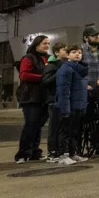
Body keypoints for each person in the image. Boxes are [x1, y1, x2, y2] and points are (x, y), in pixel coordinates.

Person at [16, 35, 51, 163]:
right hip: (30, 96)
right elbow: (24, 75)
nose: (47, 46)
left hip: (44, 96)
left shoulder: (48, 58)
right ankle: (23, 153)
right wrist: (42, 77)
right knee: (31, 125)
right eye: (44, 43)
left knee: (38, 126)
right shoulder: (28, 58)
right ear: (36, 44)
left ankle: (35, 152)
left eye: (48, 43)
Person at [42, 42, 67, 163]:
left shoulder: (67, 65)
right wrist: (59, 73)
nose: (66, 51)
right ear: (57, 52)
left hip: (65, 99)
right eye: (64, 50)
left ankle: (61, 151)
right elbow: (46, 82)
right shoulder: (51, 66)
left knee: (63, 127)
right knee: (54, 127)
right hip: (54, 100)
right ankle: (52, 152)